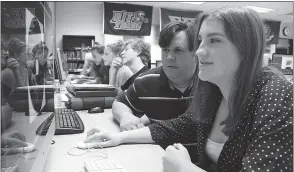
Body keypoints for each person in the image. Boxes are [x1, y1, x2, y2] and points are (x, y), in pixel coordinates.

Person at [84, 7, 293, 172]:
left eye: (215, 40)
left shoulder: (276, 93)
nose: (200, 50)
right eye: (200, 40)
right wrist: (119, 138)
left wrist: (185, 168)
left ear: (246, 48)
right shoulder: (213, 90)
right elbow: (176, 127)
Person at [112, 22, 198, 131]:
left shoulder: (209, 82)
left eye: (178, 50)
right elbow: (119, 103)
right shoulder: (146, 81)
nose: (169, 57)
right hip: (156, 146)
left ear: (195, 53)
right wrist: (125, 116)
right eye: (165, 50)